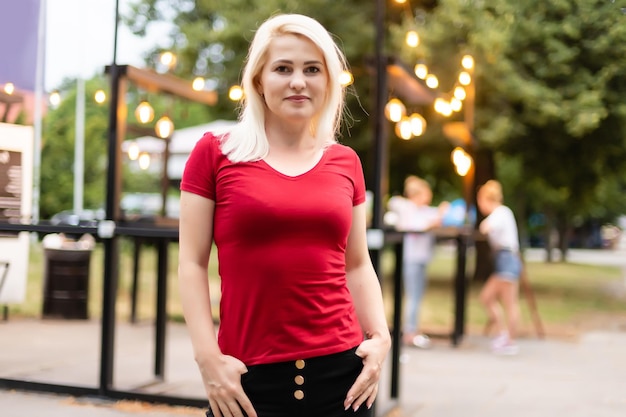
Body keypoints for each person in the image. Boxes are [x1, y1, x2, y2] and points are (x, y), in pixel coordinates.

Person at [178, 13, 391, 417]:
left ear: (328, 80)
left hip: (343, 380)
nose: (299, 81)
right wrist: (208, 359)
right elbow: (190, 264)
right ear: (259, 80)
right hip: (247, 382)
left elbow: (358, 265)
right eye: (283, 68)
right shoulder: (215, 153)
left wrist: (381, 338)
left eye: (312, 69)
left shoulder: (345, 162)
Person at [387, 176, 448, 349]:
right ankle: (409, 332)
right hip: (412, 259)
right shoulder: (408, 209)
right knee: (413, 296)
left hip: (421, 259)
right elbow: (418, 225)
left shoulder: (422, 211)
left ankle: (412, 329)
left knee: (417, 296)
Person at [476, 180, 522, 355]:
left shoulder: (500, 212)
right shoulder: (503, 213)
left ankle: (508, 339)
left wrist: (484, 225)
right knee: (489, 298)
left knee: (507, 302)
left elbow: (486, 227)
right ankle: (504, 335)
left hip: (506, 259)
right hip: (505, 259)